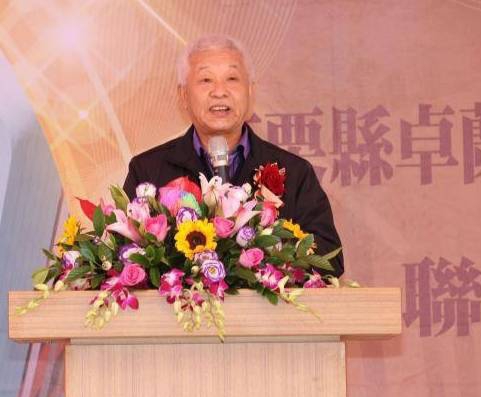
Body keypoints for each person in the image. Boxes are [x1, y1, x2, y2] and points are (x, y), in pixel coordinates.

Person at [123, 35, 344, 276]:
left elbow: (329, 258)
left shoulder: (294, 172)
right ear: (184, 95)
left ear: (250, 92)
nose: (220, 91)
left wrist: (264, 257)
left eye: (232, 78)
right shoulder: (147, 171)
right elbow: (123, 256)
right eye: (206, 80)